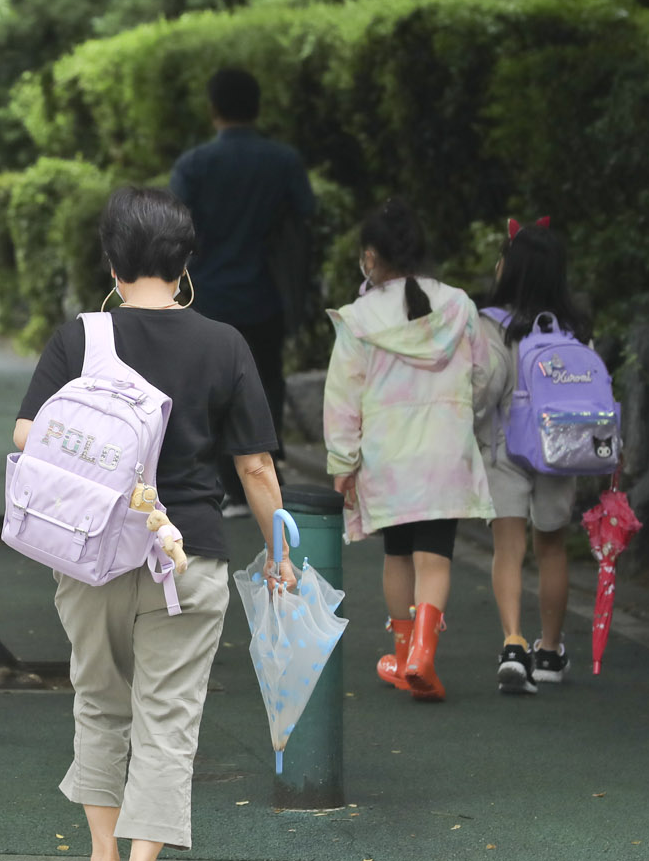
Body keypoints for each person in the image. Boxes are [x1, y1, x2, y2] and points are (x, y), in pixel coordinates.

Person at [14, 186, 287, 861]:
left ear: (111, 259)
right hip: (187, 555)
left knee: (98, 703)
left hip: (93, 552)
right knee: (168, 719)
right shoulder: (225, 344)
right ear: (184, 262)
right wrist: (280, 555)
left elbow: (26, 436)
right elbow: (257, 468)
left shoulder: (82, 336)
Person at [324, 199, 493, 703]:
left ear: (370, 257)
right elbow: (482, 375)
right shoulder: (459, 304)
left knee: (396, 556)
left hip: (386, 459)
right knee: (434, 560)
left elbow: (342, 398)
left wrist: (341, 462)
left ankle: (402, 654)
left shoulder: (358, 318)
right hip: (445, 453)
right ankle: (422, 656)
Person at [168, 67, 317, 517]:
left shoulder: (194, 165)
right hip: (266, 293)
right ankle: (266, 471)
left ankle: (230, 483)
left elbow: (175, 228)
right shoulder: (283, 161)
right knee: (266, 378)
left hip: (208, 295)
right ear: (257, 107)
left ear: (213, 110)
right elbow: (306, 214)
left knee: (213, 388)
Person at [476, 219, 587, 695]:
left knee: (508, 548)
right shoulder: (575, 327)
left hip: (506, 447)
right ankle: (549, 651)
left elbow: (485, 389)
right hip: (561, 451)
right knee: (552, 548)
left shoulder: (494, 324)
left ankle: (513, 644)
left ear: (512, 270)